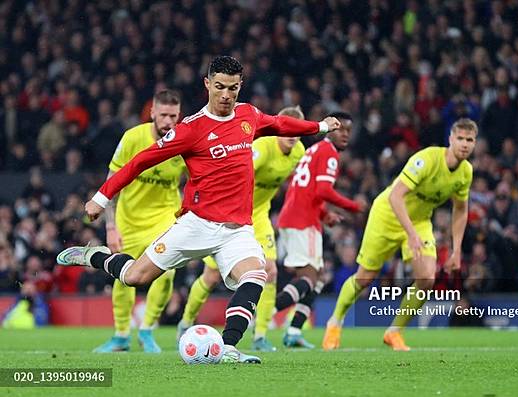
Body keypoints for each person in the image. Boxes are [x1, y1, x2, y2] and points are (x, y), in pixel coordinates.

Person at [56, 55, 340, 363]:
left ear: (240, 86)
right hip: (196, 225)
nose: (226, 95)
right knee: (135, 277)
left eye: (233, 88)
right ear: (207, 84)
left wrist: (320, 126)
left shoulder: (248, 116)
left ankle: (229, 346)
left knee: (256, 274)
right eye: (219, 87)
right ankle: (94, 256)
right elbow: (140, 162)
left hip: (237, 230)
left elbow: (280, 124)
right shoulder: (191, 129)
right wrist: (101, 197)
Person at [323, 118, 476, 351]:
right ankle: (334, 323)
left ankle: (394, 332)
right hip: (387, 214)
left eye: (470, 140)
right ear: (450, 139)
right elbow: (396, 196)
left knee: (427, 278)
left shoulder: (465, 172)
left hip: (419, 221)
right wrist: (411, 234)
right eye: (461, 139)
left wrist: (456, 250)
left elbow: (460, 210)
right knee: (364, 277)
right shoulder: (426, 159)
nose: (465, 144)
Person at [175, 106, 307, 352]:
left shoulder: (298, 152)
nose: (292, 138)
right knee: (211, 277)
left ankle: (260, 335)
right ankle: (186, 321)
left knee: (270, 271)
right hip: (231, 214)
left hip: (258, 215)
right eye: (288, 131)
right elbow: (234, 173)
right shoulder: (262, 149)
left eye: (296, 133)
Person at [92, 89, 191, 353]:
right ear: (153, 113)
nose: (169, 121)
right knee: (122, 275)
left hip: (164, 218)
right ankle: (121, 335)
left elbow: (196, 179)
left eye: (174, 115)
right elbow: (112, 183)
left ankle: (147, 331)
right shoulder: (133, 138)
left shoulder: (184, 142)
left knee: (167, 273)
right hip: (129, 220)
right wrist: (110, 226)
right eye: (164, 115)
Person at [274, 111, 365, 349]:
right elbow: (323, 191)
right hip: (302, 221)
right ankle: (262, 313)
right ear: (330, 129)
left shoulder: (312, 150)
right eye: (341, 129)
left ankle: (293, 331)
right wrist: (353, 206)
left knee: (316, 280)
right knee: (308, 278)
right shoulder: (328, 153)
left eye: (348, 130)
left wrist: (325, 215)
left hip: (300, 217)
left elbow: (310, 191)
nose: (345, 134)